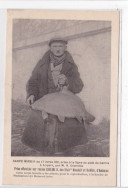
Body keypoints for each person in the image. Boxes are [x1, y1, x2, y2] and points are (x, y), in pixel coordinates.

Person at [22, 37, 94, 154]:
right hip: (45, 100)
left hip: (64, 102)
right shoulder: (42, 64)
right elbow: (33, 81)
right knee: (40, 130)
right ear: (50, 48)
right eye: (55, 46)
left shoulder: (71, 65)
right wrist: (31, 94)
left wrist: (67, 81)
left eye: (60, 46)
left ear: (65, 48)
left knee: (68, 136)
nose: (58, 49)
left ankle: (65, 150)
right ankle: (45, 149)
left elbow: (79, 85)